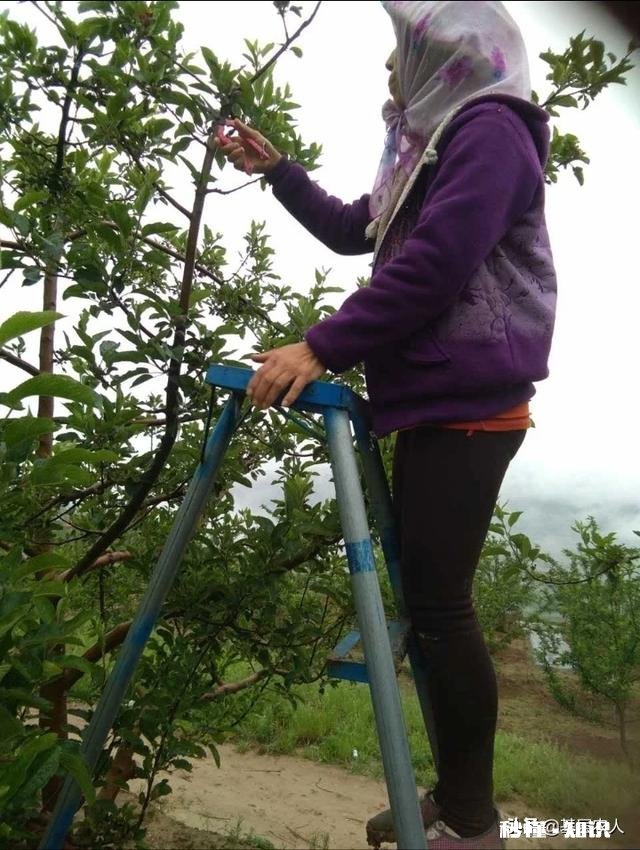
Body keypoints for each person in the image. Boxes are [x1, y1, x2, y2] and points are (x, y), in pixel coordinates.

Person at [216, 1, 556, 847]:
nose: (388, 68)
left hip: (472, 408)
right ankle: (459, 794)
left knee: (442, 609)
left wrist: (321, 346)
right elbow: (354, 228)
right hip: (438, 403)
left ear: (446, 55)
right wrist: (279, 171)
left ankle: (471, 821)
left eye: (400, 50)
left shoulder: (492, 133)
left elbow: (437, 266)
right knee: (430, 606)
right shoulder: (433, 150)